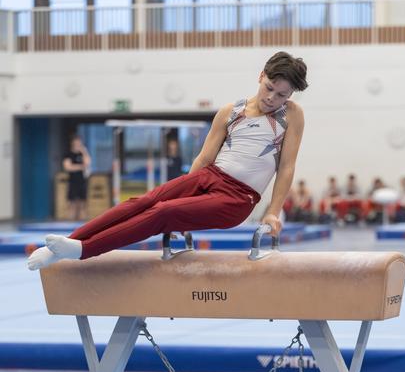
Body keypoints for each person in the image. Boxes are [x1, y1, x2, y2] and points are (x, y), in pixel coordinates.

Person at [27, 51, 308, 270]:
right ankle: (64, 246)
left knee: (164, 213)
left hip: (237, 199)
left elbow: (286, 167)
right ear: (261, 76)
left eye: (282, 94)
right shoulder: (230, 111)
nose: (272, 98)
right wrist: (188, 189)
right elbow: (205, 157)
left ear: (291, 94)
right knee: (143, 202)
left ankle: (84, 250)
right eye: (269, 87)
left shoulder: (291, 116)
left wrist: (273, 211)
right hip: (208, 176)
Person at [63, 135, 91, 221]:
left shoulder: (82, 154)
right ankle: (71, 219)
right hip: (72, 181)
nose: (78, 144)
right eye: (76, 142)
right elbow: (68, 167)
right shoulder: (68, 154)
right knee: (72, 202)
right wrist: (81, 166)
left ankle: (82, 219)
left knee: (82, 202)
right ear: (72, 143)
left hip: (82, 180)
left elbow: (87, 163)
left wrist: (84, 151)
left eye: (79, 143)